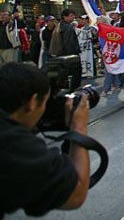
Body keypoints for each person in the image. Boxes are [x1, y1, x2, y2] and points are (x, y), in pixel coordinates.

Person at [0, 63, 90, 217]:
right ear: (32, 102)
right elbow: (76, 194)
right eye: (46, 103)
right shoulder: (13, 146)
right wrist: (78, 127)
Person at [57, 9, 82, 90]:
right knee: (76, 72)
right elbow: (69, 42)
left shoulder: (60, 25)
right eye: (71, 15)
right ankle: (74, 88)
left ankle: (66, 87)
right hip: (70, 53)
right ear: (65, 17)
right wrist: (72, 54)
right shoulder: (68, 27)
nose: (73, 17)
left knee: (65, 73)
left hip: (62, 53)